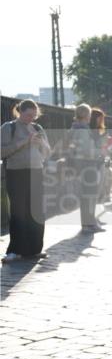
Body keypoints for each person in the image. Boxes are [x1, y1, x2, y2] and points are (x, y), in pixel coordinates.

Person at [1, 99, 51, 263]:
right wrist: (24, 142)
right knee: (18, 211)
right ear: (20, 112)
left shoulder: (38, 128)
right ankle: (15, 250)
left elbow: (48, 152)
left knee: (36, 211)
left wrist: (41, 143)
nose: (32, 118)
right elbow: (2, 151)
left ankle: (34, 249)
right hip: (16, 173)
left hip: (36, 172)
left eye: (34, 115)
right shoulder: (9, 127)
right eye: (28, 114)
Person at [65, 103, 103, 231]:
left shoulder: (74, 128)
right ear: (87, 115)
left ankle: (87, 223)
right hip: (87, 166)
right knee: (90, 195)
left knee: (86, 196)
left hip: (80, 166)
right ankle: (89, 224)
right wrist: (102, 150)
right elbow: (87, 152)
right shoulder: (82, 130)